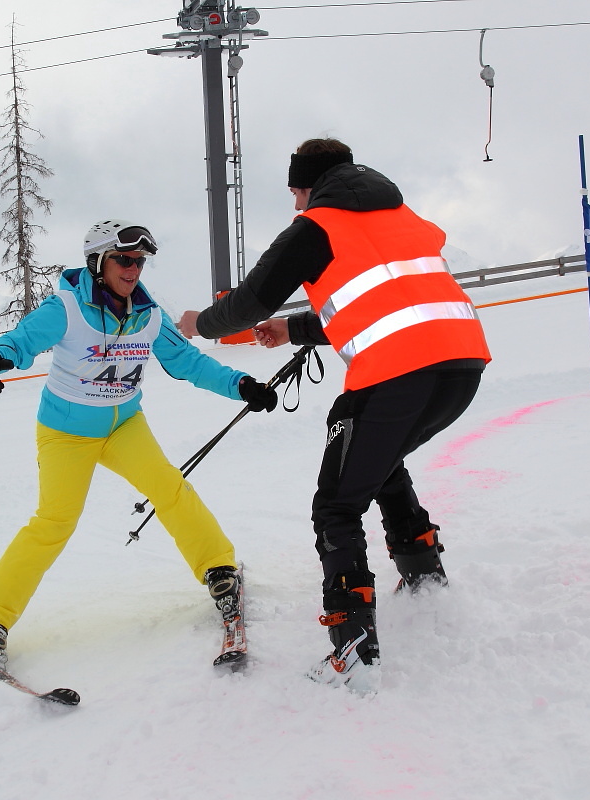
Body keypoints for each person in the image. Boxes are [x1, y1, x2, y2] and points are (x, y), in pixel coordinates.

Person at [177, 139, 491, 692]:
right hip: (462, 366)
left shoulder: (316, 227)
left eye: (295, 192)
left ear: (309, 184)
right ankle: (424, 580)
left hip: (396, 374)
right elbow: (385, 304)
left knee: (336, 504)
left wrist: (200, 323)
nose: (295, 204)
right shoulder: (400, 216)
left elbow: (249, 302)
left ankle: (353, 649)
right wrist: (294, 329)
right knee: (377, 461)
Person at [0, 219, 277, 668]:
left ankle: (219, 570)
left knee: (169, 488)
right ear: (98, 262)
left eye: (139, 262)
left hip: (124, 425)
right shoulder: (68, 307)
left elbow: (187, 361)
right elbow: (24, 339)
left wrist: (240, 384)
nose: (133, 270)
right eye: (124, 260)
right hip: (66, 432)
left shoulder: (149, 314)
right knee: (54, 522)